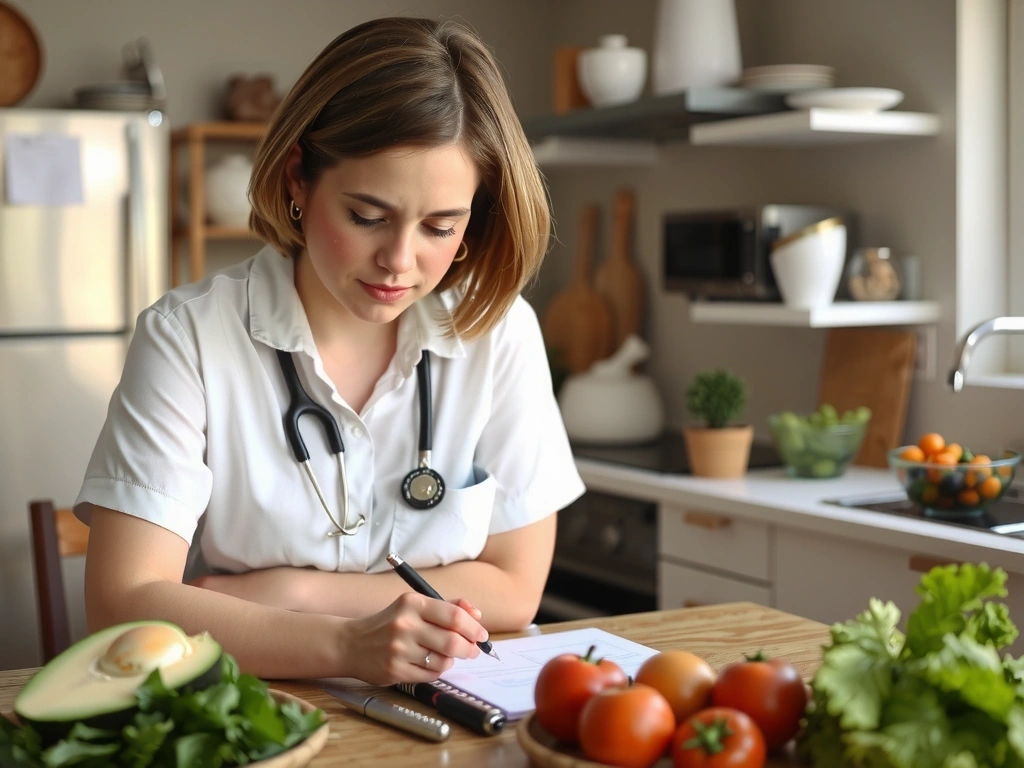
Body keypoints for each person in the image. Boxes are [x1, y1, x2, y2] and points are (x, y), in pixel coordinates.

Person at [74, 15, 584, 685]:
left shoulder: (501, 331)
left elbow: (515, 588)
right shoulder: (188, 337)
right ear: (298, 179)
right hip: (253, 714)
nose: (399, 261)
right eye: (367, 216)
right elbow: (121, 605)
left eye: (440, 225)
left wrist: (291, 593)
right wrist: (346, 647)